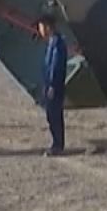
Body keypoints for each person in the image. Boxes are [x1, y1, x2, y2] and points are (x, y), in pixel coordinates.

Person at [35, 15, 68, 156]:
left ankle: (58, 145)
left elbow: (56, 67)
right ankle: (56, 143)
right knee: (51, 115)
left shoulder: (58, 44)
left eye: (41, 26)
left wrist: (52, 86)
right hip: (50, 86)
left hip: (55, 87)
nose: (40, 30)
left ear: (47, 26)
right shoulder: (52, 43)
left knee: (54, 115)